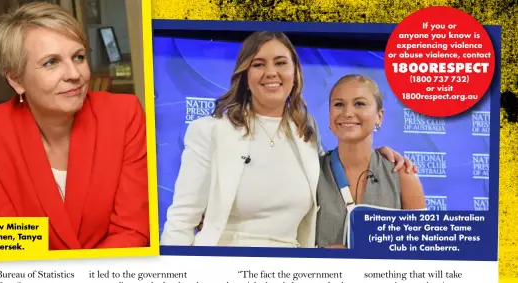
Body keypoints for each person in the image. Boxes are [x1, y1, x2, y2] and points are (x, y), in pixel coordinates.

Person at [160, 31, 415, 248]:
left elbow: (340, 162)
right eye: (259, 64)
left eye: (280, 63)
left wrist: (378, 152)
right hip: (226, 263)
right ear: (246, 76)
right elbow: (182, 219)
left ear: (295, 73)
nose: (271, 72)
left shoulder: (306, 130)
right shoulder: (210, 131)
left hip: (294, 266)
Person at [0, 2, 149, 250]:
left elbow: (132, 230)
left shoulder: (124, 114)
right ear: (16, 79)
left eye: (78, 57)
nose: (74, 74)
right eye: (51, 62)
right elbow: (9, 242)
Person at [315, 74, 426, 249]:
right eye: (338, 105)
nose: (347, 113)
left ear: (379, 117)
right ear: (330, 115)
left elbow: (421, 252)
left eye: (359, 104)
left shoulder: (403, 176)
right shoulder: (311, 172)